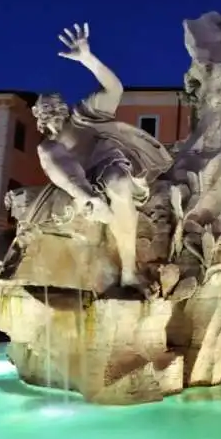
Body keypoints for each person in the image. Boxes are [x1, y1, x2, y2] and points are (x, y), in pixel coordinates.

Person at [27, 23, 173, 293]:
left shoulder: (85, 115)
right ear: (39, 117)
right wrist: (88, 196)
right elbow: (61, 169)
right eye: (46, 108)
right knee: (50, 152)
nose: (54, 110)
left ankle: (129, 271)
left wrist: (88, 59)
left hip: (112, 165)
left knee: (118, 183)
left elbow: (114, 89)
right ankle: (91, 201)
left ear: (65, 107)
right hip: (84, 182)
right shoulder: (48, 148)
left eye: (57, 105)